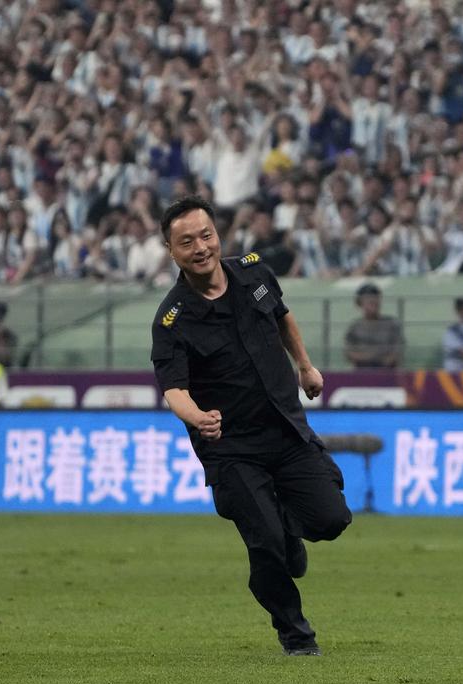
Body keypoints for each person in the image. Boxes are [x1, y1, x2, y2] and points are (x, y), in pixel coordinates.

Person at [149, 195, 351, 657]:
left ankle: (288, 528)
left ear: (217, 234)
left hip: (285, 429)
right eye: (187, 242)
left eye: (206, 235)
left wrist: (304, 364)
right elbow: (173, 388)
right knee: (266, 546)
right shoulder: (171, 319)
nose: (200, 247)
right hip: (232, 448)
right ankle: (296, 636)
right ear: (171, 250)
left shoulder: (255, 271)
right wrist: (196, 416)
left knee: (332, 518)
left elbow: (283, 317)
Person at [343, 283, 404, 369]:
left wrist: (382, 360)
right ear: (359, 302)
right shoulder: (355, 327)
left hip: (387, 373)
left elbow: (396, 353)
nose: (373, 301)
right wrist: (374, 357)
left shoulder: (391, 324)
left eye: (376, 297)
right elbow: (349, 353)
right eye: (368, 298)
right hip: (361, 373)